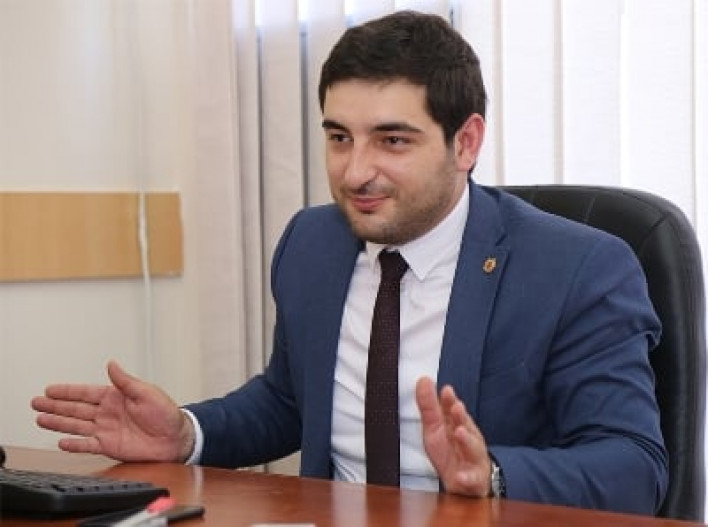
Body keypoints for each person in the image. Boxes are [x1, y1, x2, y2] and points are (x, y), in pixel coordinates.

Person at [31, 10, 667, 515]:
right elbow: (289, 402)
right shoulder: (312, 242)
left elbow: (634, 467)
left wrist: (493, 474)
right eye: (339, 137)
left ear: (466, 142)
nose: (355, 171)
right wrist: (188, 434)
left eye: (392, 140)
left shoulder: (579, 268)